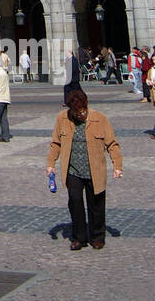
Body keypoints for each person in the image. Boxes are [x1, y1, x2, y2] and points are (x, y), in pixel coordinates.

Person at [47, 89, 122, 250]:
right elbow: (56, 143)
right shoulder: (63, 118)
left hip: (94, 170)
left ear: (86, 106)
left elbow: (112, 144)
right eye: (76, 111)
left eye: (82, 111)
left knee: (96, 205)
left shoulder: (99, 119)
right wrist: (51, 163)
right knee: (75, 202)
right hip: (73, 170)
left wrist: (117, 166)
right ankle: (79, 238)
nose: (80, 114)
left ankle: (97, 236)